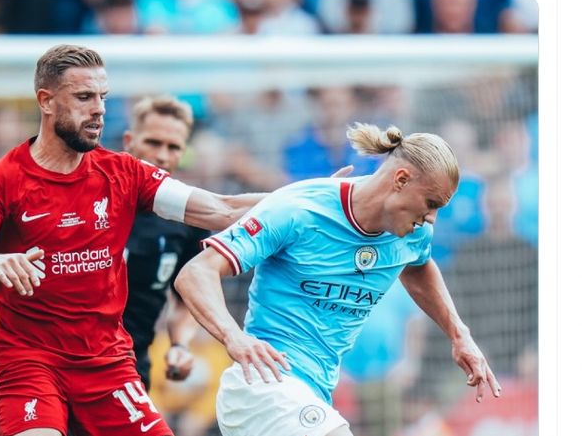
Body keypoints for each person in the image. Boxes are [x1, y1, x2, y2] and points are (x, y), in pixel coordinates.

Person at [0, 44, 275, 436]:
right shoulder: (4, 179)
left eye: (103, 97)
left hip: (107, 363)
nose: (99, 109)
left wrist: (312, 197)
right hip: (31, 361)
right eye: (84, 97)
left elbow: (221, 208)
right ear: (46, 102)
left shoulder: (124, 173)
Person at [174, 123, 502, 436]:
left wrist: (460, 335)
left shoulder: (411, 234)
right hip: (264, 384)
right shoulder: (300, 209)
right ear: (401, 179)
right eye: (431, 204)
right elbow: (195, 273)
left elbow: (419, 266)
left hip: (312, 394)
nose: (431, 218)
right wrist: (234, 337)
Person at [120, 95, 208, 390]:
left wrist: (180, 344)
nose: (162, 155)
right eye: (153, 142)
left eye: (173, 147)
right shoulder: (93, 197)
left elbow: (185, 300)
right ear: (129, 140)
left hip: (131, 365)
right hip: (68, 360)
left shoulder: (186, 219)